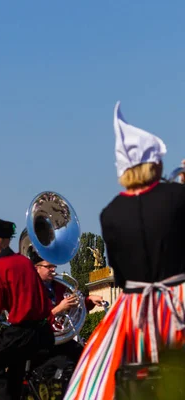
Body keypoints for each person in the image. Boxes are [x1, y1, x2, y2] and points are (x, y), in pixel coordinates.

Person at [64, 102, 185, 399]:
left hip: (133, 309)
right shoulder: (178, 196)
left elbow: (120, 273)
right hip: (178, 298)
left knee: (98, 372)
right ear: (154, 164)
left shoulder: (110, 213)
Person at [0, 217, 55, 400]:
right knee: (15, 380)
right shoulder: (25, 262)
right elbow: (31, 299)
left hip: (21, 334)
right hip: (43, 333)